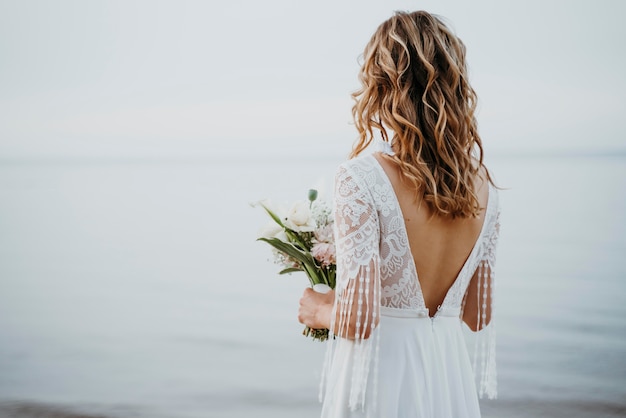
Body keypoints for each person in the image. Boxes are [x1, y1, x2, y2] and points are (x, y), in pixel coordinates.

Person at [297, 10, 501, 418]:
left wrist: (317, 310)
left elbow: (358, 321)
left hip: (383, 380)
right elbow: (477, 315)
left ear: (383, 84)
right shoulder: (483, 187)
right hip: (447, 377)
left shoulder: (361, 177)